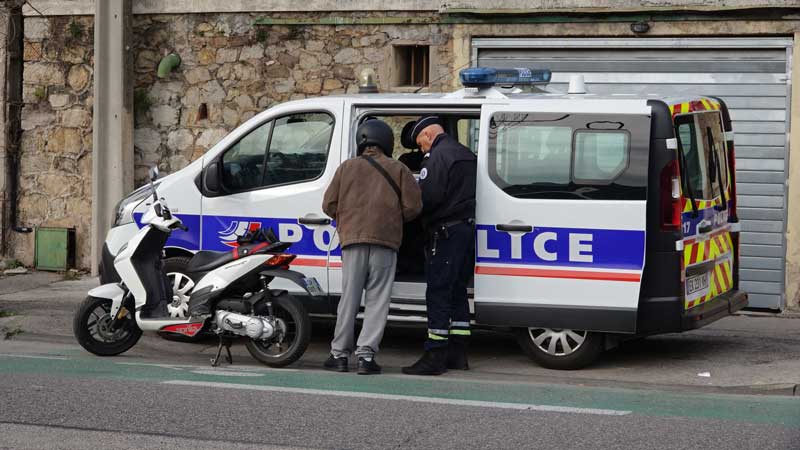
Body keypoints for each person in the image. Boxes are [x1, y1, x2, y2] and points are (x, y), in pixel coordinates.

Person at [322, 119, 422, 375]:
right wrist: (391, 219)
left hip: (352, 241)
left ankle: (339, 355)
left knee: (349, 298)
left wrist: (347, 219)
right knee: (378, 300)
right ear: (387, 141)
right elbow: (413, 207)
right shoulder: (399, 169)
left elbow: (328, 205)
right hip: (385, 243)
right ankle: (366, 357)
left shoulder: (346, 168)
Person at [402, 116, 477, 376]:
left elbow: (428, 197)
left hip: (445, 233)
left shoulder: (436, 157)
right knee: (457, 291)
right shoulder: (465, 153)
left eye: (420, 143)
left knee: (438, 292)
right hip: (465, 230)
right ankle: (458, 353)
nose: (420, 148)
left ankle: (435, 355)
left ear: (428, 135)